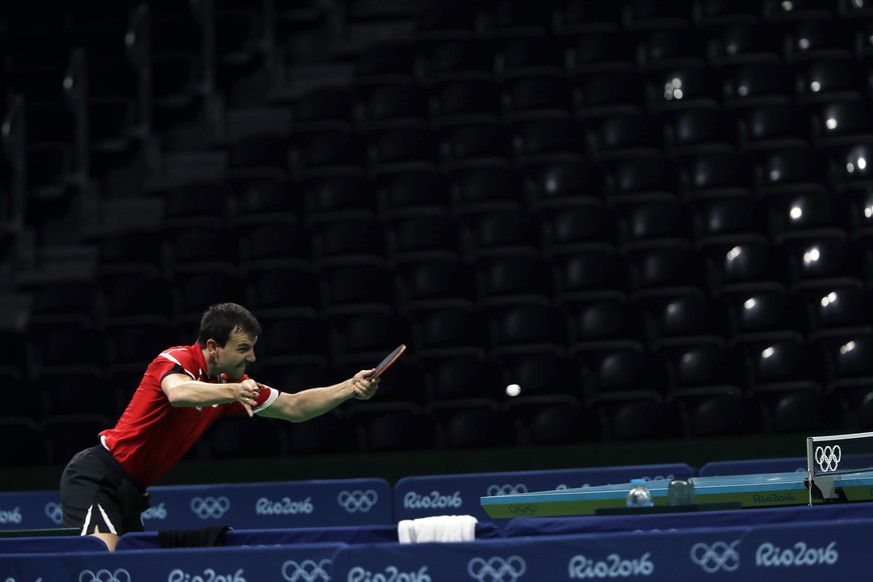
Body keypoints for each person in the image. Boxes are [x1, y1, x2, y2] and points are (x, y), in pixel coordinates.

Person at [59, 302, 380, 551]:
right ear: (213, 346)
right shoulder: (176, 360)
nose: (252, 357)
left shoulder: (231, 384)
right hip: (97, 476)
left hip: (131, 491)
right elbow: (178, 393)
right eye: (242, 348)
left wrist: (349, 387)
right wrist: (232, 390)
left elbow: (295, 407)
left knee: (130, 569)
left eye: (252, 347)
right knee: (102, 563)